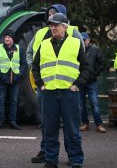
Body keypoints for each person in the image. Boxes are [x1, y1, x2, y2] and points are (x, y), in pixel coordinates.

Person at [32, 13, 89, 168]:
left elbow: (85, 68)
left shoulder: (76, 43)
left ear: (65, 27)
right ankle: (51, 160)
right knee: (49, 129)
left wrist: (77, 84)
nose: (53, 28)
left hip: (69, 93)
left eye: (56, 25)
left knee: (72, 130)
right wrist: (40, 83)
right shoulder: (44, 44)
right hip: (48, 92)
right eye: (51, 25)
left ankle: (76, 160)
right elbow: (35, 66)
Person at [0, 29, 26, 130]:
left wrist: (18, 75)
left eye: (9, 37)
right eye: (5, 37)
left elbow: (24, 64)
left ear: (13, 39)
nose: (7, 39)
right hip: (2, 79)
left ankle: (12, 122)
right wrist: (0, 75)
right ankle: (0, 121)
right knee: (1, 101)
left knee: (14, 101)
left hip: (15, 79)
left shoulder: (20, 49)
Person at [79, 32, 107, 133]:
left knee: (94, 103)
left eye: (84, 40)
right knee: (81, 104)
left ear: (88, 40)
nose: (82, 41)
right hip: (80, 81)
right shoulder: (78, 50)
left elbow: (102, 63)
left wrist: (95, 74)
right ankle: (85, 124)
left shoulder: (95, 49)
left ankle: (99, 125)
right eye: (81, 40)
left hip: (91, 81)